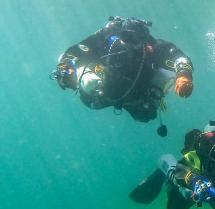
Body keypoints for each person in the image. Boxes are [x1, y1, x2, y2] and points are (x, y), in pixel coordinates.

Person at [51, 16, 194, 129]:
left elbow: (179, 56)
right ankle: (84, 79)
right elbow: (75, 51)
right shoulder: (104, 42)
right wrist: (65, 68)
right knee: (82, 76)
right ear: (119, 35)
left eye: (135, 40)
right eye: (126, 38)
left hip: (137, 97)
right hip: (102, 93)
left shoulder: (153, 49)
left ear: (144, 40)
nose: (129, 44)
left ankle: (154, 96)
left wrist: (184, 75)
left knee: (147, 114)